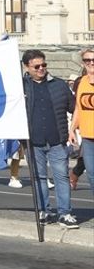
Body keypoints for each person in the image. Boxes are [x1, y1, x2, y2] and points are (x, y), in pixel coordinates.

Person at [21, 49, 77, 229]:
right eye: (36, 66)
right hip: (32, 141)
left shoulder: (59, 85)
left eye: (44, 65)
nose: (41, 69)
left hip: (57, 140)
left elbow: (75, 109)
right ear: (26, 67)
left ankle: (65, 213)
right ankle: (44, 211)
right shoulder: (20, 86)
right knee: (39, 178)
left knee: (61, 177)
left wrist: (73, 129)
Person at [70, 48, 94, 202]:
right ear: (83, 63)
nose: (91, 63)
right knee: (91, 174)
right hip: (87, 136)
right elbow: (78, 107)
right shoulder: (81, 82)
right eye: (87, 60)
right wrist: (72, 129)